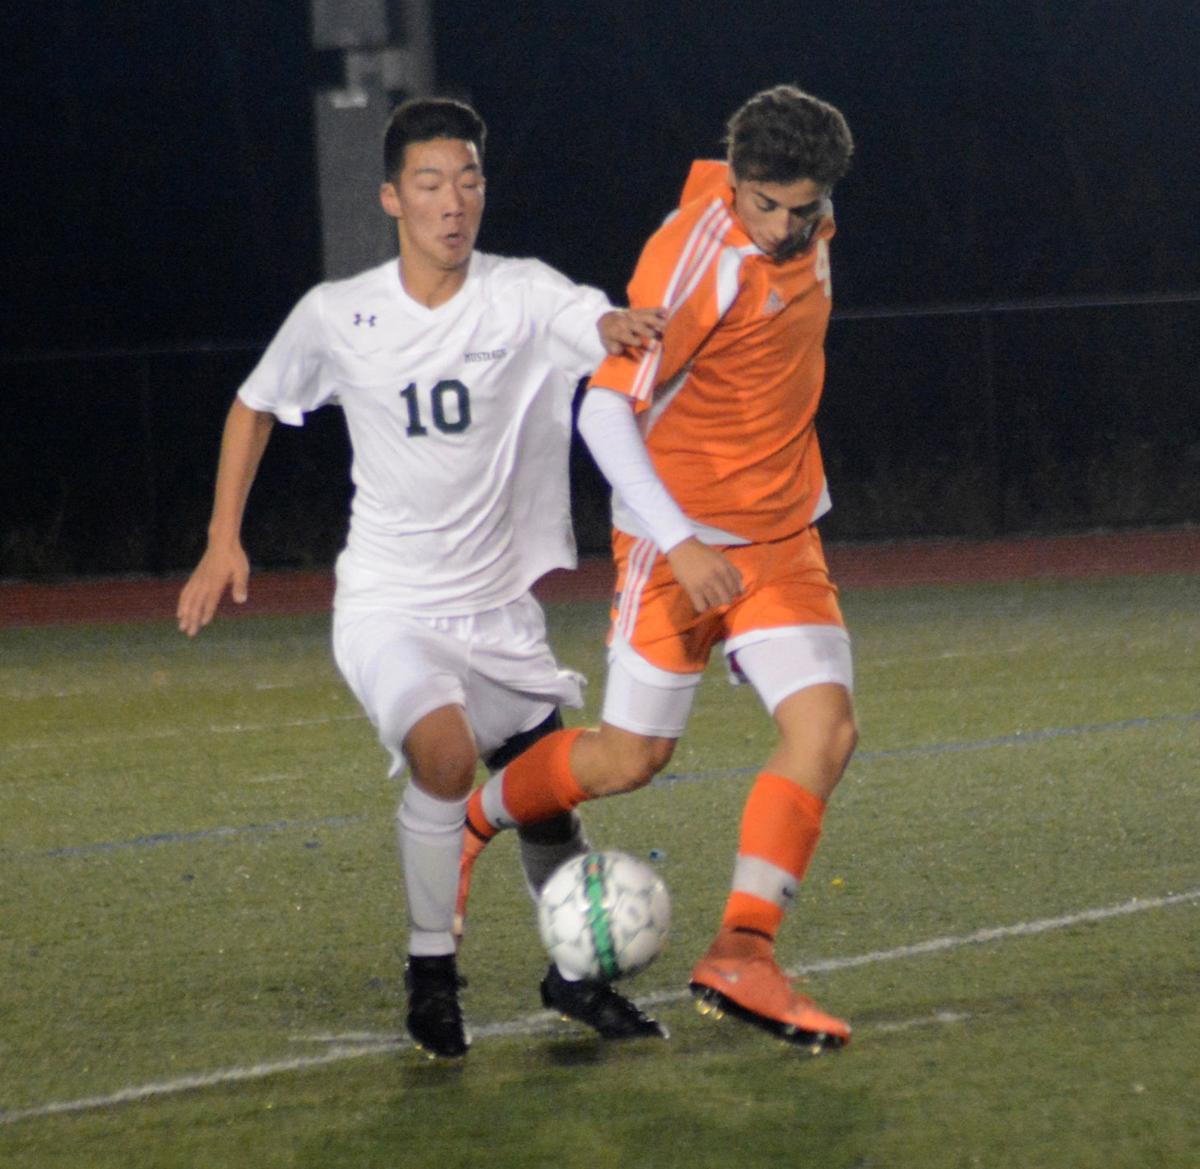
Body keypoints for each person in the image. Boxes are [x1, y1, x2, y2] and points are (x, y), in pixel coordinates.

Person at [176, 97, 667, 1059]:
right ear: (392, 198)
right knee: (444, 758)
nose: (455, 202)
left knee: (545, 801)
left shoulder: (520, 294)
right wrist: (221, 537)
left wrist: (617, 320)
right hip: (390, 607)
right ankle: (430, 973)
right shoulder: (339, 313)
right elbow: (254, 404)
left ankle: (577, 976)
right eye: (433, 184)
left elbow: (590, 317)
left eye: (470, 180)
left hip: (499, 615)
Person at [458, 84, 857, 1050]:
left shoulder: (809, 220)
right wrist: (678, 538)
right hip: (674, 538)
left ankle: (743, 952)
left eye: (801, 208)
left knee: (826, 728)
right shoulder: (696, 258)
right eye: (763, 206)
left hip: (778, 536)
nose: (782, 227)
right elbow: (603, 409)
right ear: (737, 191)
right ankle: (476, 814)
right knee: (632, 757)